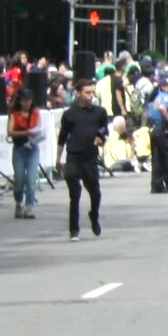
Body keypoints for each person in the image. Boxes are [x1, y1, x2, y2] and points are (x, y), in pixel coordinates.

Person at [57, 81, 111, 240]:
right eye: (87, 92)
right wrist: (58, 158)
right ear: (79, 93)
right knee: (74, 193)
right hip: (73, 156)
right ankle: (74, 230)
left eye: (92, 92)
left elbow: (104, 132)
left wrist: (101, 139)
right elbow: (62, 137)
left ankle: (94, 216)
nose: (91, 96)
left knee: (95, 193)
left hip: (90, 157)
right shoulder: (69, 114)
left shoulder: (100, 112)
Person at [8, 87, 44, 220]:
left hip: (33, 147)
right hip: (19, 147)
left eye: (29, 100)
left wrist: (36, 135)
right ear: (20, 101)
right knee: (19, 179)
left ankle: (29, 206)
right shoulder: (14, 114)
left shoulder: (35, 112)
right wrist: (25, 133)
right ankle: (18, 203)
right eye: (24, 100)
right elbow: (10, 132)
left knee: (31, 179)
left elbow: (39, 128)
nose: (26, 103)